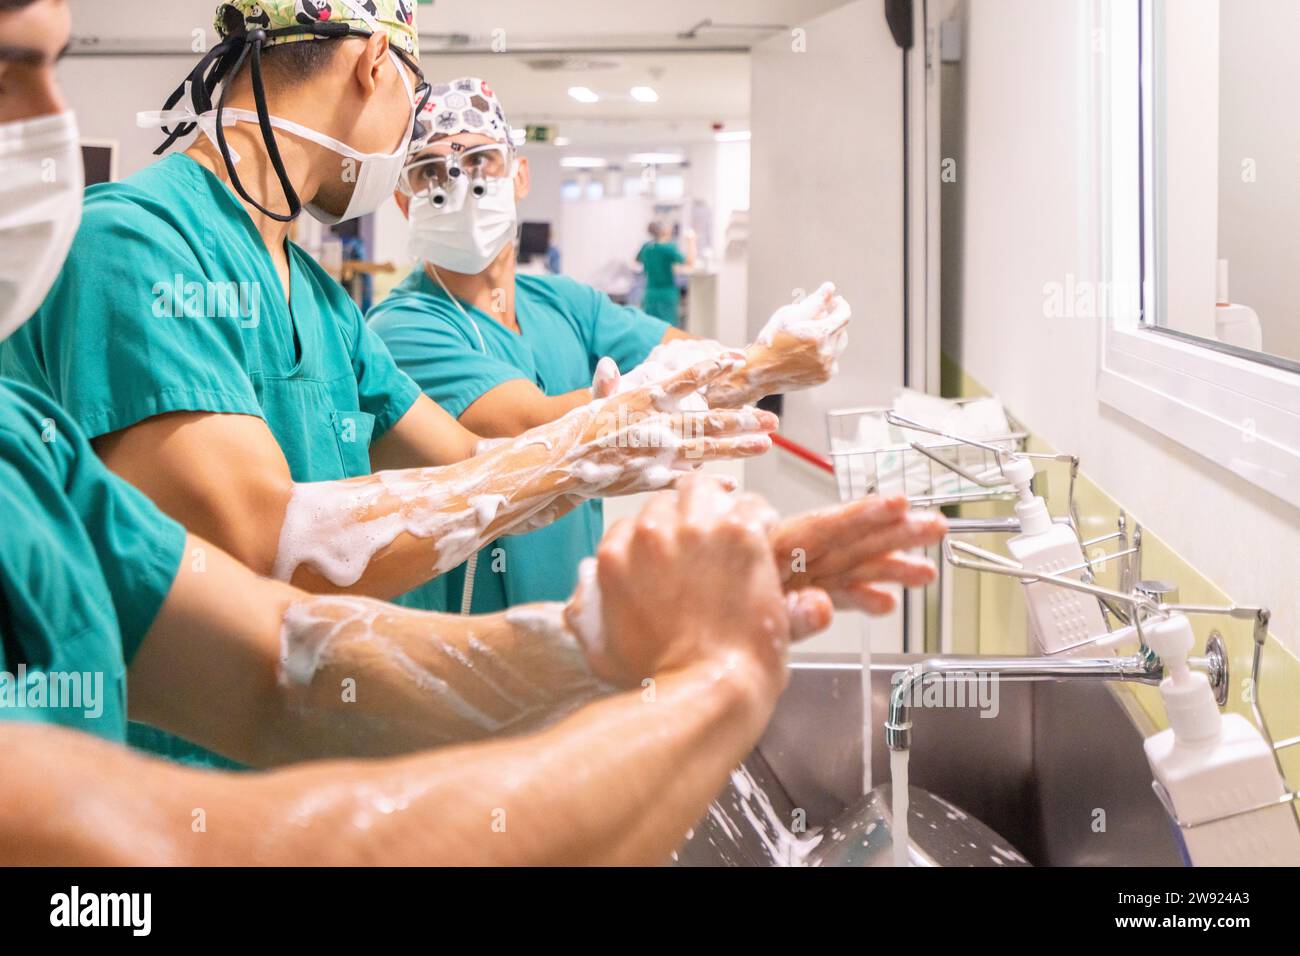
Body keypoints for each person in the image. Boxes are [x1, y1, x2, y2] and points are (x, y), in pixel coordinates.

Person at [0, 0, 951, 865]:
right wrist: (693, 666)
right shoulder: (136, 248)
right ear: (377, 66)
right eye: (15, 63)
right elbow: (267, 546)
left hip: (307, 772)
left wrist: (612, 639)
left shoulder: (315, 304)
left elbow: (299, 643)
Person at [369, 77, 853, 616]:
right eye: (431, 172)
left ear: (519, 175)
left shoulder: (561, 300)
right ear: (403, 201)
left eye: (481, 160)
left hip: (569, 620)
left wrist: (771, 357)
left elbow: (691, 358)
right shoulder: (402, 326)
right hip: (458, 636)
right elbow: (536, 428)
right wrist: (761, 369)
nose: (459, 185)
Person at [637, 220, 696, 326]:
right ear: (664, 231)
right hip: (666, 295)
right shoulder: (668, 248)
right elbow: (690, 262)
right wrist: (692, 241)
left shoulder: (646, 247)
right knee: (667, 330)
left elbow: (638, 260)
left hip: (650, 294)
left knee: (651, 328)